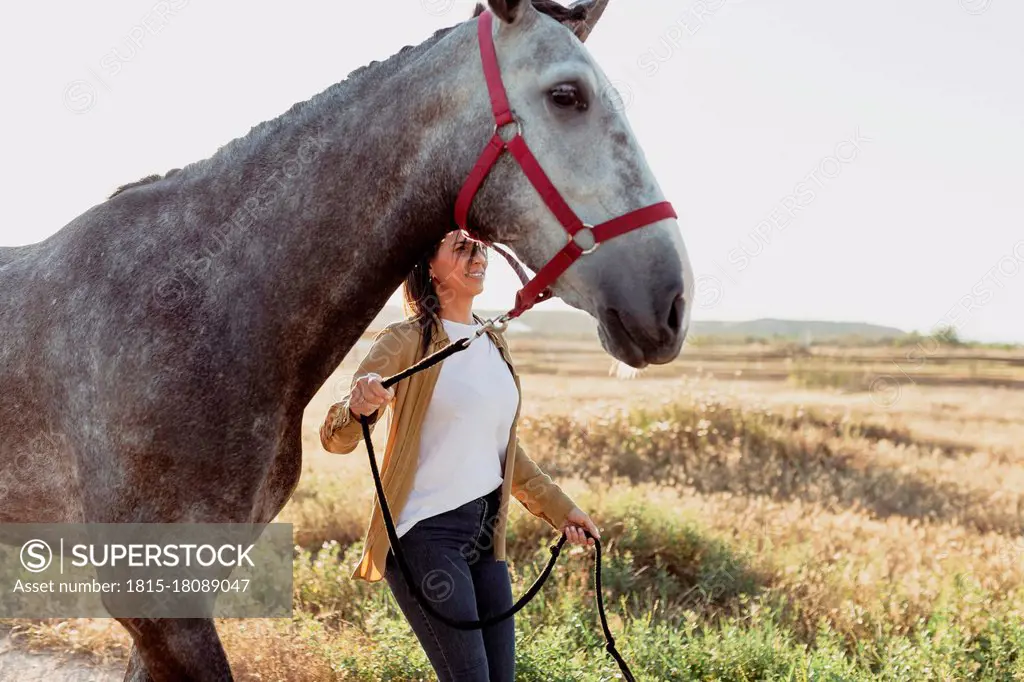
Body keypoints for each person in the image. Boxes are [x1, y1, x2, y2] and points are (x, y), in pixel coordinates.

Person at [319, 229, 599, 681]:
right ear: (431, 267)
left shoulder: (492, 342)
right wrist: (357, 407)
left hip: (487, 540)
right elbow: (336, 437)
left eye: (480, 249)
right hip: (426, 535)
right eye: (462, 249)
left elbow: (507, 453)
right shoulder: (405, 340)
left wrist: (563, 510)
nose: (478, 257)